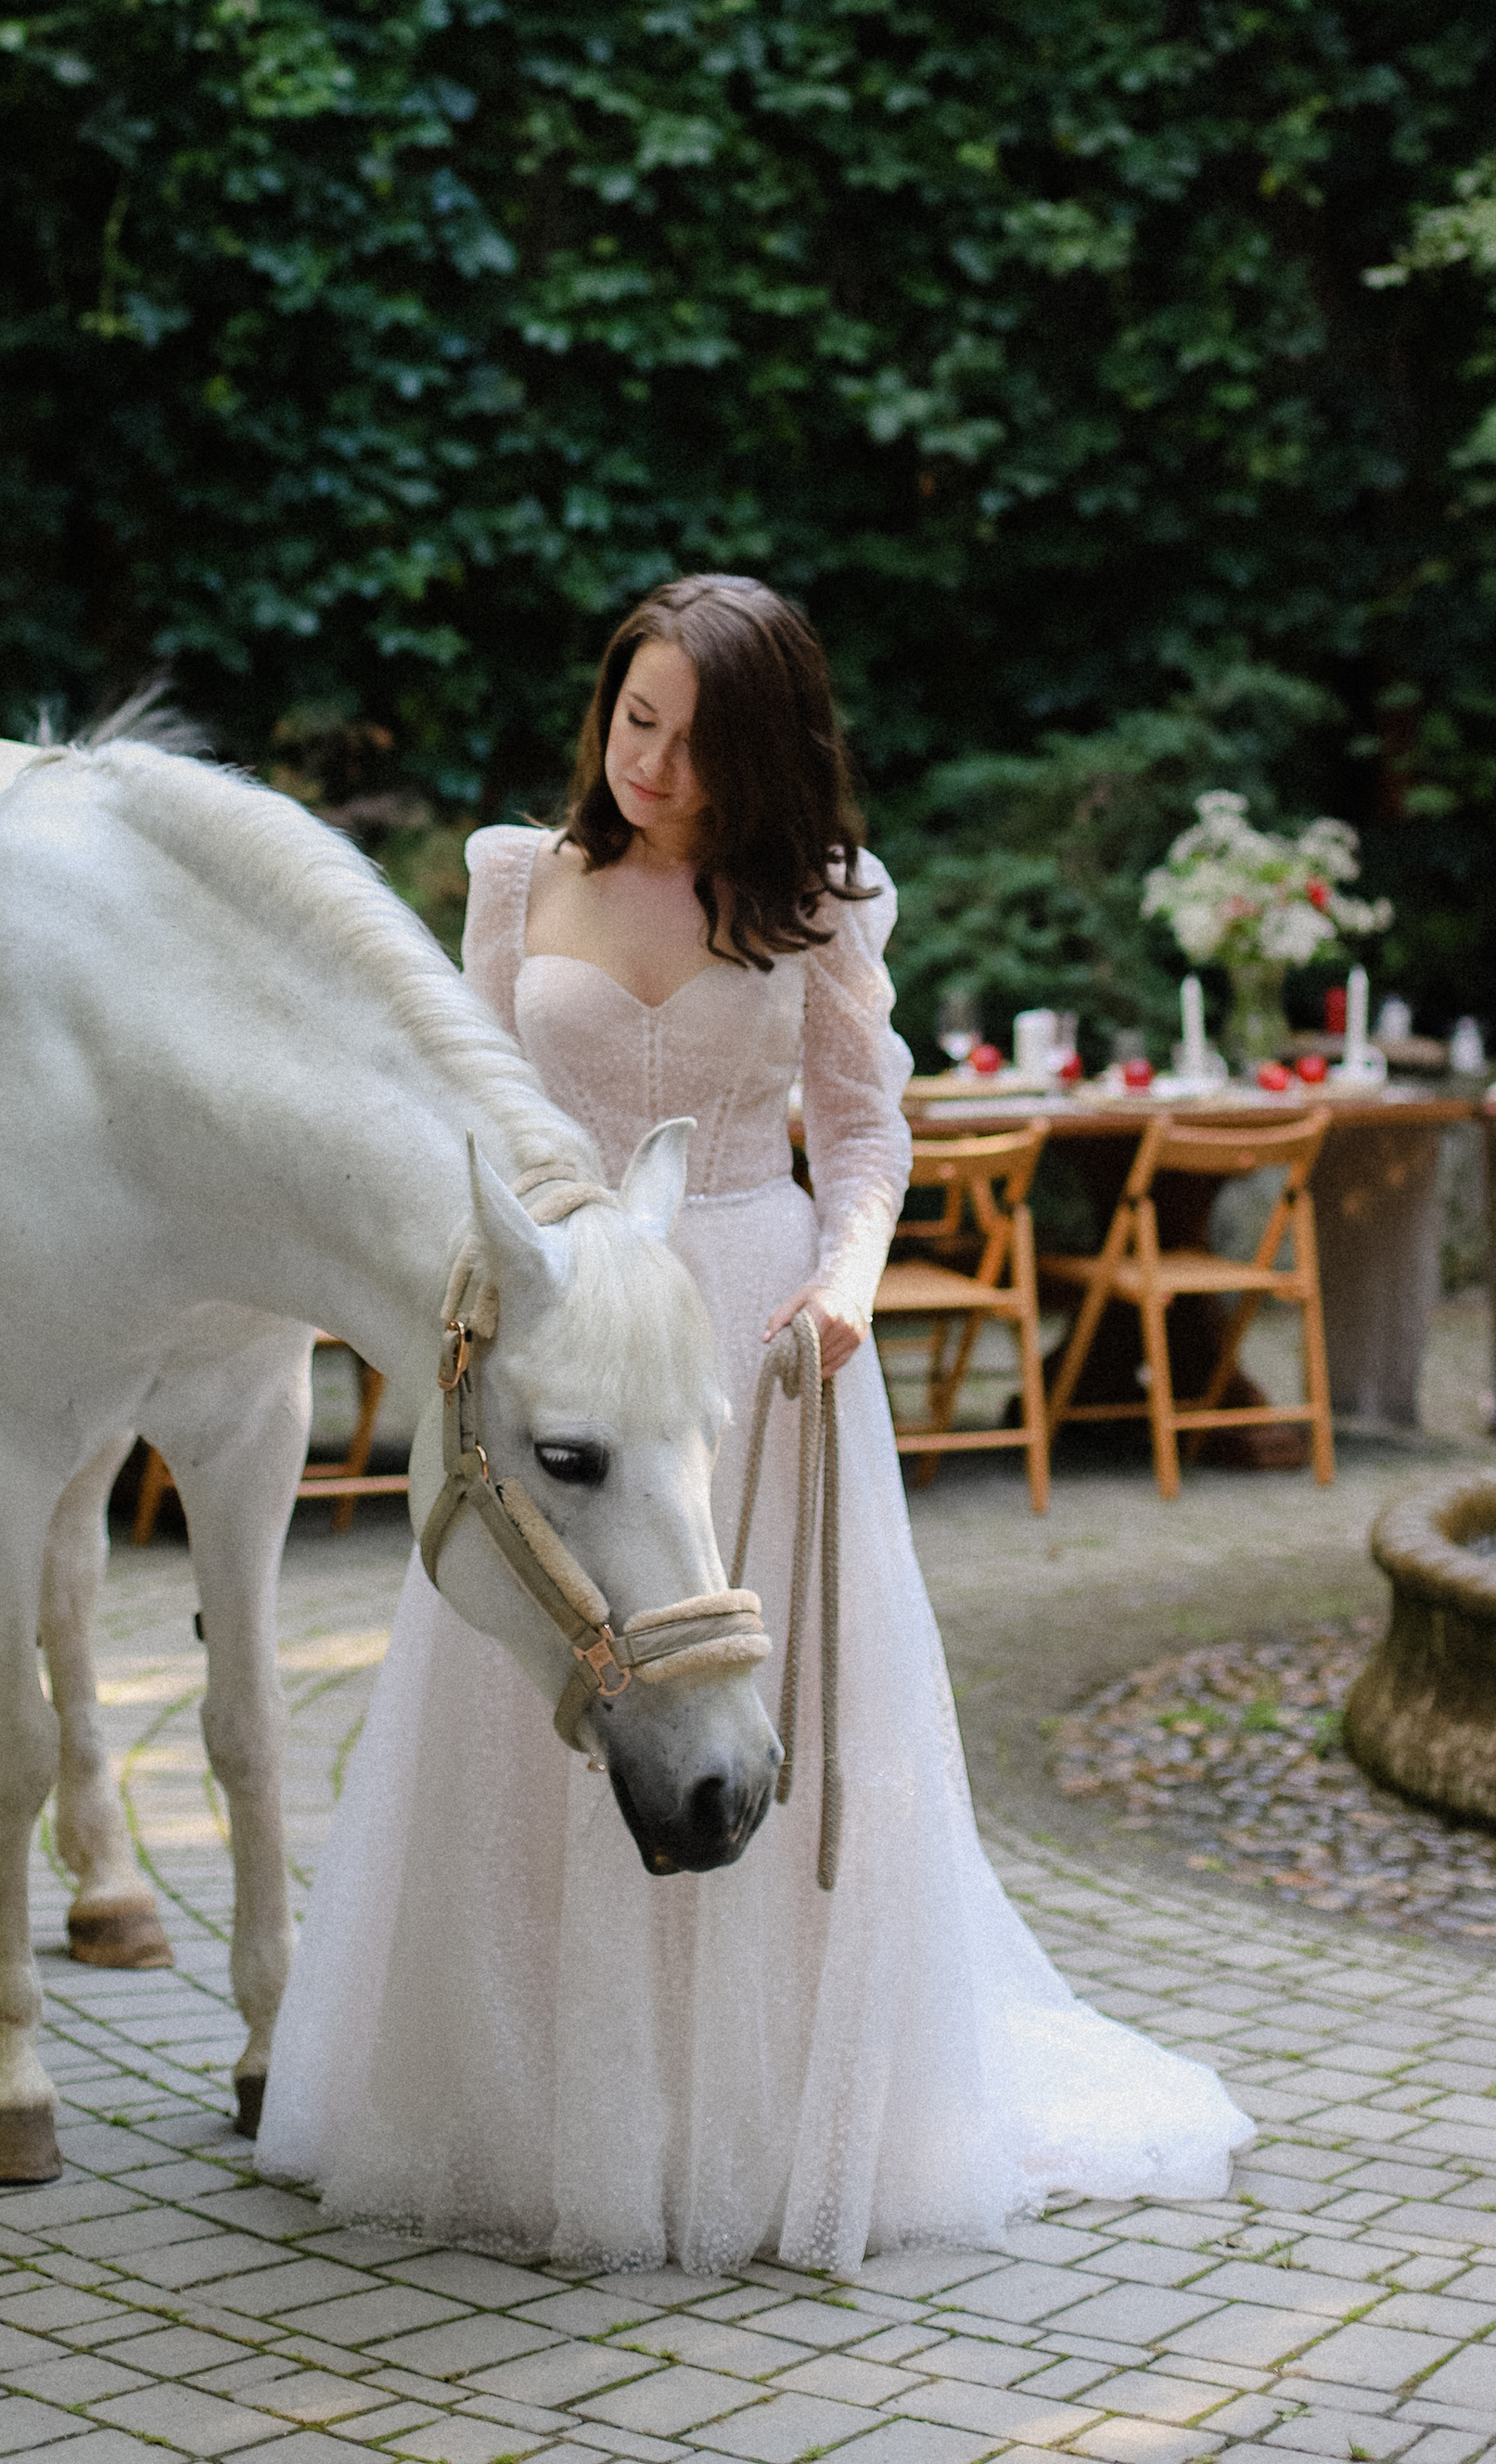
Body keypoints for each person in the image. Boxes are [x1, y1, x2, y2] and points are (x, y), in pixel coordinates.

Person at [258, 574, 1250, 2270]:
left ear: (764, 754)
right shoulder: (522, 878)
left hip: (752, 1328)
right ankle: (510, 2115)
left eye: (693, 742)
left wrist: (849, 1278)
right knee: (525, 1719)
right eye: (633, 719)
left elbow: (868, 1141)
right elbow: (466, 1129)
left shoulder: (823, 904)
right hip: (569, 1341)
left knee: (747, 1687)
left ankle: (764, 2117)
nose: (649, 762)